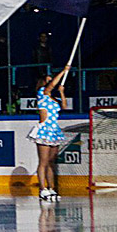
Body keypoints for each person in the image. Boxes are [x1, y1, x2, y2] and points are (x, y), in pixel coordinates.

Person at [26, 66, 71, 201]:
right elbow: (51, 86)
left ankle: (51, 188)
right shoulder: (42, 93)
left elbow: (64, 107)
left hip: (54, 130)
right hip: (44, 130)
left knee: (51, 162)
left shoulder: (53, 99)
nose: (51, 80)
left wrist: (62, 92)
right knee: (43, 162)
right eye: (48, 79)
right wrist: (63, 71)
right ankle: (42, 189)